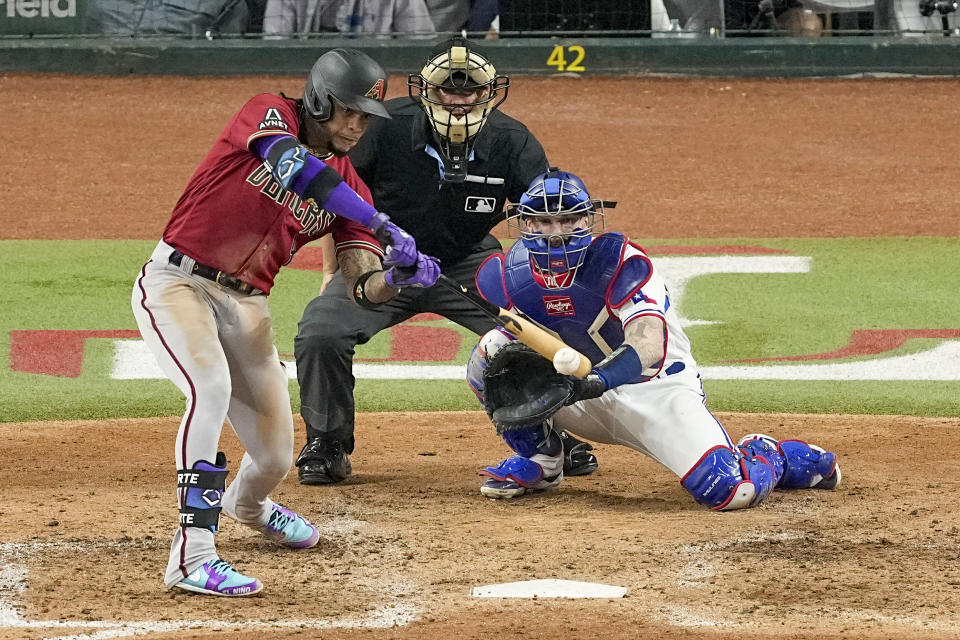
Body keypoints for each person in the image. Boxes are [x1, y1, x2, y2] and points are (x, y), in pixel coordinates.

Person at [131, 48, 439, 597]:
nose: (356, 125)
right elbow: (292, 165)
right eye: (348, 111)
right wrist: (379, 219)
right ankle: (191, 556)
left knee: (274, 454)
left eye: (366, 115)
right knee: (210, 391)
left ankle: (248, 506)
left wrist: (401, 276)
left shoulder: (352, 189)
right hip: (179, 283)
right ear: (320, 100)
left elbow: (362, 282)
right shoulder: (269, 112)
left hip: (249, 307)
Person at [294, 37, 599, 486]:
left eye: (469, 91)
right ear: (427, 91)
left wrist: (545, 287)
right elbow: (338, 195)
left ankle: (549, 435)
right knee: (321, 330)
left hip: (468, 260)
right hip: (384, 261)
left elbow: (544, 215)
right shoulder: (384, 127)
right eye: (447, 91)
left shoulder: (512, 142)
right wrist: (331, 271)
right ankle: (328, 444)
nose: (458, 101)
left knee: (536, 332)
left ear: (488, 92)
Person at [466, 169, 841, 507]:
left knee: (731, 490)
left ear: (587, 219)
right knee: (490, 356)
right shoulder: (505, 276)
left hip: (655, 391)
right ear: (524, 225)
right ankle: (543, 460)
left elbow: (648, 345)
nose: (555, 233)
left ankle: (772, 454)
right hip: (576, 396)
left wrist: (598, 380)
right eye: (543, 222)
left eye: (567, 220)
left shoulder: (620, 264)